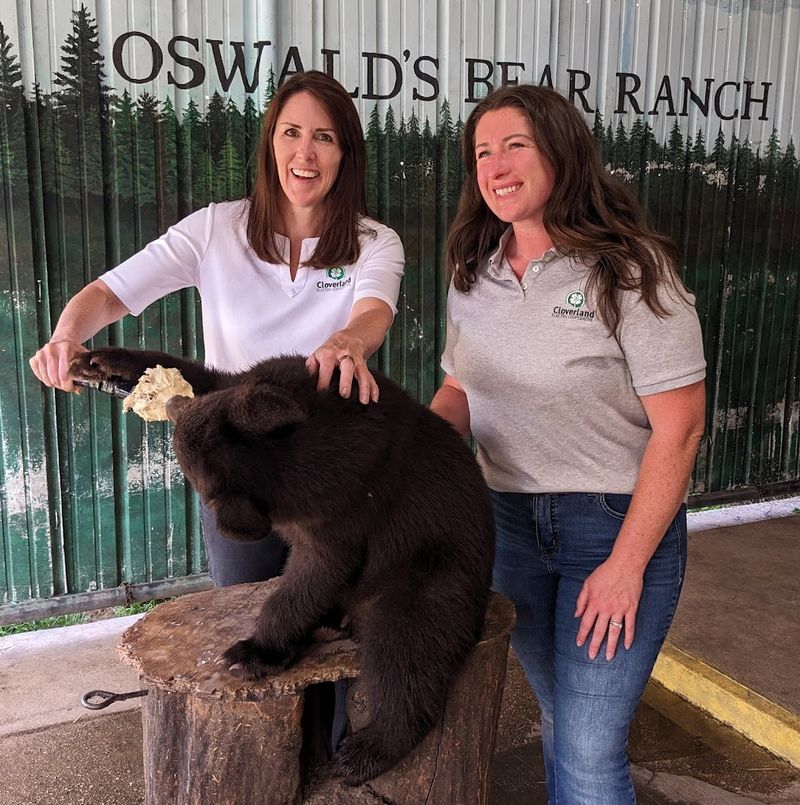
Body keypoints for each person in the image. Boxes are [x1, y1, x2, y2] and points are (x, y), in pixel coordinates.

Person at [430, 84, 706, 803]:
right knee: (557, 713)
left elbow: (681, 428)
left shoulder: (632, 269)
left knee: (588, 749)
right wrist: (413, 456)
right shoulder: (473, 269)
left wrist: (626, 564)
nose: (495, 165)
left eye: (514, 144)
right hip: (509, 526)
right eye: (483, 152)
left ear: (561, 150)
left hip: (611, 526)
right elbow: (461, 388)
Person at [30, 70, 405, 589]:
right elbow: (110, 293)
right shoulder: (214, 228)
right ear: (271, 142)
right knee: (243, 618)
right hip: (234, 466)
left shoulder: (375, 241)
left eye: (325, 138)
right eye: (291, 133)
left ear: (345, 154)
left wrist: (349, 340)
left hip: (332, 468)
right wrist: (66, 334)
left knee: (331, 628)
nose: (306, 154)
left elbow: (374, 312)